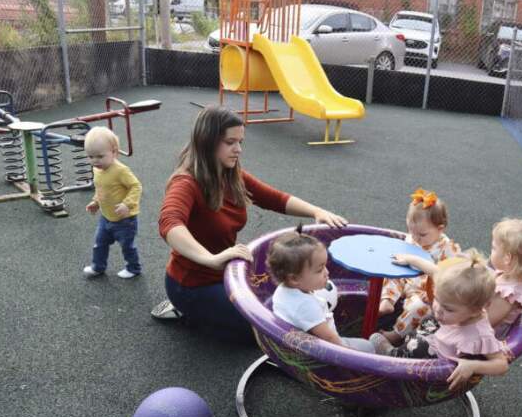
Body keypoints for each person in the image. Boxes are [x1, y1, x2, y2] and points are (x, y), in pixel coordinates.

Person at [155, 106, 347, 343]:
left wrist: (316, 211)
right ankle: (189, 314)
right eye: (230, 142)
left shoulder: (230, 174)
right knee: (263, 331)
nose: (238, 149)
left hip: (226, 273)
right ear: (207, 141)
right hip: (192, 284)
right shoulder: (186, 182)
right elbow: (170, 223)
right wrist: (209, 258)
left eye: (240, 141)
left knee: (273, 303)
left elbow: (273, 198)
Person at [370, 250, 509, 393]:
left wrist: (472, 365)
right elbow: (434, 271)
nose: (438, 308)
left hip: (417, 370)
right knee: (429, 317)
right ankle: (400, 347)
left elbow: (501, 364)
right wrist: (410, 259)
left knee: (373, 340)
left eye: (448, 309)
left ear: (476, 310)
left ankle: (392, 358)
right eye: (437, 298)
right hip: (426, 339)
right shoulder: (454, 294)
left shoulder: (480, 333)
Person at [267, 228, 375, 352]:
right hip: (320, 354)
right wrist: (351, 357)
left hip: (292, 345)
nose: (327, 272)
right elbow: (329, 338)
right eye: (319, 270)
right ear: (294, 278)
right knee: (368, 347)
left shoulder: (283, 290)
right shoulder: (305, 306)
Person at [377, 188, 461, 345]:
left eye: (422, 235)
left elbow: (450, 278)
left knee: (419, 307)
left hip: (424, 291)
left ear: (440, 229)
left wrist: (436, 294)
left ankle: (396, 334)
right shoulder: (414, 237)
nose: (416, 238)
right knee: (390, 273)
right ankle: (387, 301)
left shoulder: (447, 248)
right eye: (411, 231)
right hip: (407, 280)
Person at [82, 126, 143, 279]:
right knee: (99, 244)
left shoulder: (120, 170)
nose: (95, 161)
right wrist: (96, 201)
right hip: (106, 217)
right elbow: (101, 188)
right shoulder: (98, 170)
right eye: (90, 156)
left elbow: (136, 186)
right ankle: (98, 267)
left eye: (100, 156)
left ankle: (134, 268)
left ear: (114, 152)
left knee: (127, 247)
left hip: (125, 220)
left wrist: (127, 204)